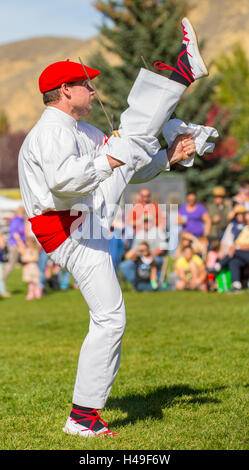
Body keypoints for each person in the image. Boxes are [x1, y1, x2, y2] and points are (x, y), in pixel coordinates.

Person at [18, 17, 210, 437]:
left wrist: (166, 158)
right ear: (65, 91)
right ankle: (81, 419)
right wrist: (118, 154)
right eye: (86, 84)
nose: (93, 90)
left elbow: (128, 168)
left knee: (133, 140)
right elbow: (63, 181)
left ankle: (180, 75)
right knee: (110, 319)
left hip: (81, 219)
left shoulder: (78, 128)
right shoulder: (51, 131)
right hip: (68, 228)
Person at [14, 233, 42, 300]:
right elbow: (21, 250)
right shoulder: (27, 250)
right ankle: (31, 294)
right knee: (30, 282)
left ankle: (37, 293)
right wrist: (18, 240)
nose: (26, 243)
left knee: (35, 281)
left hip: (33, 268)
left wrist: (26, 260)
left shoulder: (34, 250)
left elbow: (35, 258)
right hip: (28, 268)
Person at [3, 206, 26, 282]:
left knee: (12, 263)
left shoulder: (21, 220)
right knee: (11, 263)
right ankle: (2, 279)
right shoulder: (16, 220)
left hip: (18, 244)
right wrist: (21, 244)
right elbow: (15, 233)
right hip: (14, 244)